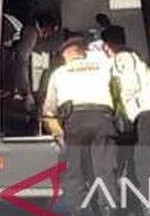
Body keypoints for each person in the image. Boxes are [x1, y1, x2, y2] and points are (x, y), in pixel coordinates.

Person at [41, 37, 118, 213]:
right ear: (83, 52)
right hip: (102, 118)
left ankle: (82, 211)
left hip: (75, 121)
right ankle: (109, 209)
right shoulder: (103, 67)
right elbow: (116, 93)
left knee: (74, 172)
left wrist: (59, 134)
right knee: (105, 169)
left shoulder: (60, 73)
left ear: (67, 54)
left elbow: (48, 111)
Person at [102, 26, 150, 211]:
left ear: (107, 45)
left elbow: (129, 85)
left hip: (143, 113)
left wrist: (122, 109)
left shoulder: (123, 58)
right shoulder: (134, 56)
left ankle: (147, 201)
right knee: (140, 157)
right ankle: (144, 199)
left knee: (142, 159)